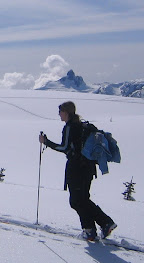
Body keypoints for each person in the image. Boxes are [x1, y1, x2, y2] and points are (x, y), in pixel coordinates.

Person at [40, 101, 117, 241]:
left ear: (66, 112)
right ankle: (95, 228)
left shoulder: (70, 127)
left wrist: (46, 142)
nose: (59, 114)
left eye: (60, 111)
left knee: (76, 201)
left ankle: (98, 226)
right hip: (88, 167)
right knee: (82, 199)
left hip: (76, 167)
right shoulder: (81, 125)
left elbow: (64, 148)